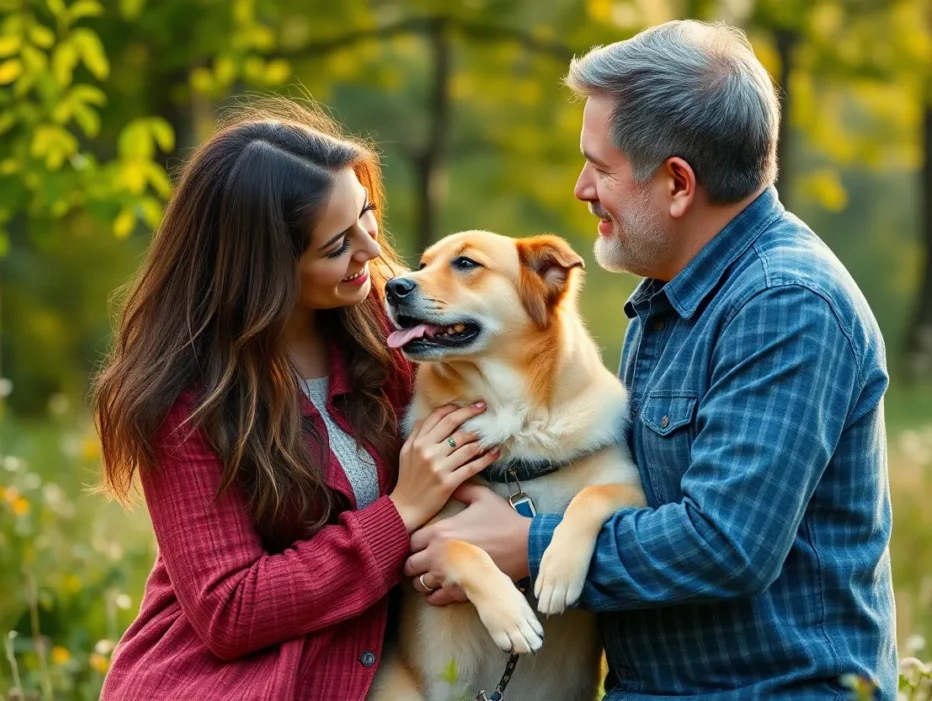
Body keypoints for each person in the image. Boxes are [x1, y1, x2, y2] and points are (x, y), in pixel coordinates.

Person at [405, 20, 897, 699]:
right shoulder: (672, 297)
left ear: (677, 184)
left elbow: (727, 542)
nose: (581, 187)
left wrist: (526, 543)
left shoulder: (785, 303)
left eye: (599, 166)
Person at [92, 99, 500, 700]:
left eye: (367, 215)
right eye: (337, 244)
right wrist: (400, 512)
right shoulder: (184, 400)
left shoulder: (393, 339)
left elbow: (504, 435)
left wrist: (511, 529)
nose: (370, 250)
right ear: (264, 270)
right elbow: (229, 609)